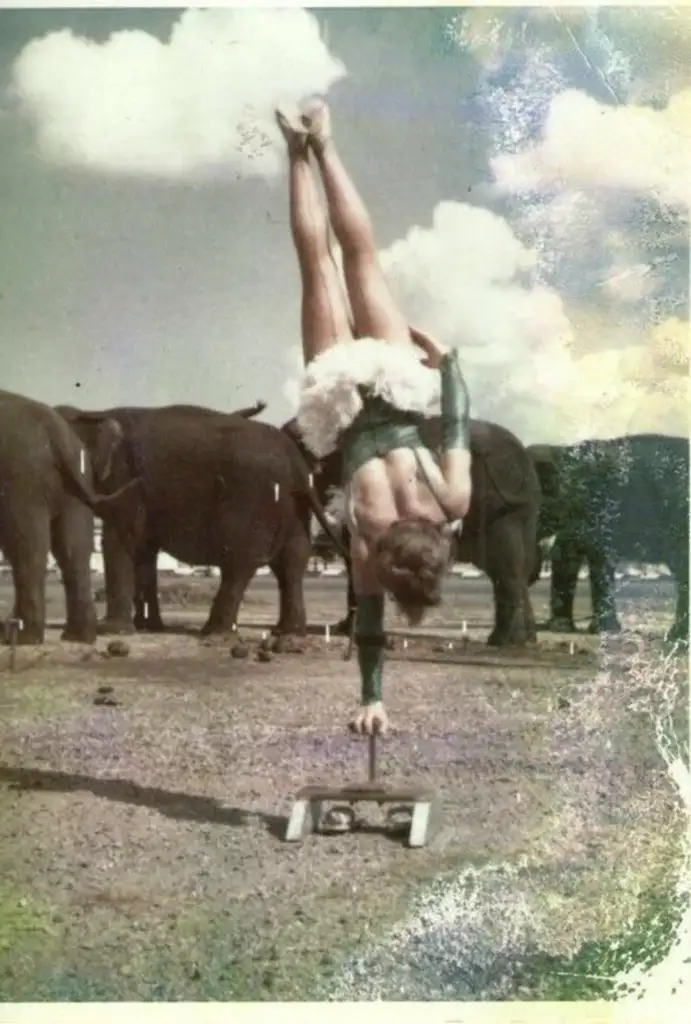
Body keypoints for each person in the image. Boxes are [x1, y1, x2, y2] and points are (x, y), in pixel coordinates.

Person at [276, 97, 472, 736]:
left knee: (360, 256)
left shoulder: (451, 502)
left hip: (395, 381)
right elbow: (368, 625)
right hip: (343, 393)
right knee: (318, 265)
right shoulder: (365, 544)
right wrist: (371, 696)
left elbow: (461, 420)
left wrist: (449, 368)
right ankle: (293, 148)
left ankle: (324, 142)